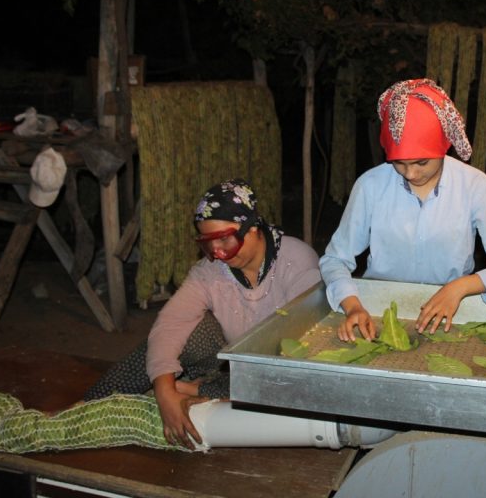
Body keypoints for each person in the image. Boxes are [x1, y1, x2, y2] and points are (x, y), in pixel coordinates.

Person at [83, 178, 322, 449]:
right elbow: (170, 324)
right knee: (191, 333)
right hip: (229, 366)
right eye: (209, 244)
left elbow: (303, 353)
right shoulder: (211, 271)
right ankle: (87, 406)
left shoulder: (297, 261)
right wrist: (164, 392)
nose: (218, 252)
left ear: (253, 228)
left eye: (225, 239)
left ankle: (193, 390)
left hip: (281, 374)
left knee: (289, 390)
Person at [320, 78, 486, 343]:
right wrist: (353, 306)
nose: (411, 173)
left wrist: (460, 287)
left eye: (421, 162)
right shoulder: (370, 186)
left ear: (443, 147)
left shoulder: (475, 186)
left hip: (450, 315)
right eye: (399, 163)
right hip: (379, 315)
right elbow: (335, 260)